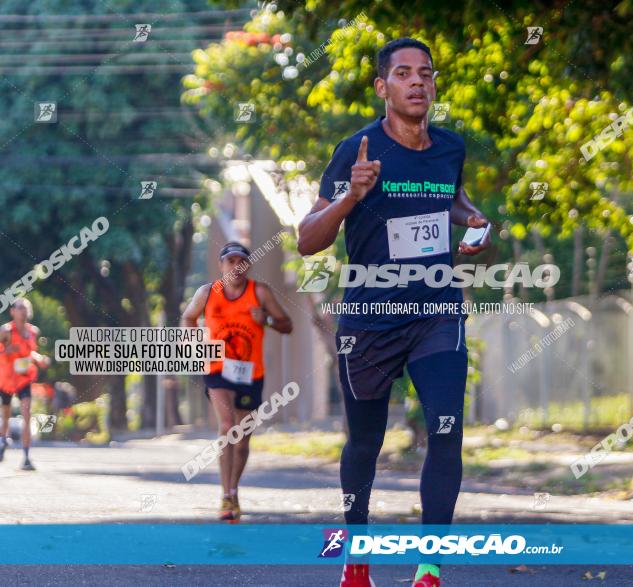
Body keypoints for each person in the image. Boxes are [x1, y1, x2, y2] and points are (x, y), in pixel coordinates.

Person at [297, 37, 490, 587]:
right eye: (403, 74)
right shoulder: (354, 149)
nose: (417, 82)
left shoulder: (450, 148)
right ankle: (357, 558)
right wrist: (350, 197)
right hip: (369, 319)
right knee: (365, 442)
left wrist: (475, 223)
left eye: (426, 74)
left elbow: (449, 198)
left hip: (436, 311)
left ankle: (430, 567)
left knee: (446, 430)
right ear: (383, 87)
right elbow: (307, 241)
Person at [180, 241, 292, 522]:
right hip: (217, 368)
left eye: (241, 261)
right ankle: (225, 495)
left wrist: (265, 319)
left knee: (241, 440)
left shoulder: (260, 292)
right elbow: (188, 318)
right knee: (228, 426)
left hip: (250, 373)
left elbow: (287, 324)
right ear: (221, 265)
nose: (235, 266)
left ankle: (234, 488)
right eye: (230, 261)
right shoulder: (207, 293)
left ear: (248, 265)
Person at [0, 298, 51, 470]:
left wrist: (40, 359)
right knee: (6, 416)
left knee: (26, 414)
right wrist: (6, 350)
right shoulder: (6, 331)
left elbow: (31, 352)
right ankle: (2, 440)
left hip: (23, 378)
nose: (23, 311)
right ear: (12, 312)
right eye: (19, 308)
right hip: (6, 379)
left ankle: (27, 456)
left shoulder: (32, 332)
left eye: (25, 308)